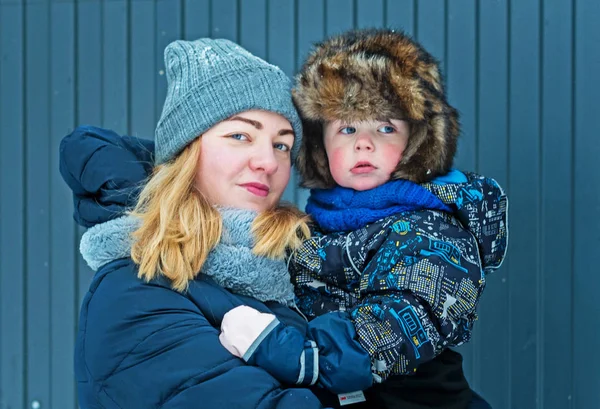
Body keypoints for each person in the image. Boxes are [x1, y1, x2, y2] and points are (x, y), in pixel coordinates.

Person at [218, 29, 508, 409]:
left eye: (386, 128)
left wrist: (290, 351)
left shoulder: (433, 231)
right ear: (321, 145)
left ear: (416, 143)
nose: (364, 142)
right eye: (347, 128)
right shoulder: (319, 222)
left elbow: (395, 325)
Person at [61, 38, 333, 409]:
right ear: (187, 151)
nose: (268, 162)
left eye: (281, 145)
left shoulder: (301, 269)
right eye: (240, 135)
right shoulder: (134, 294)